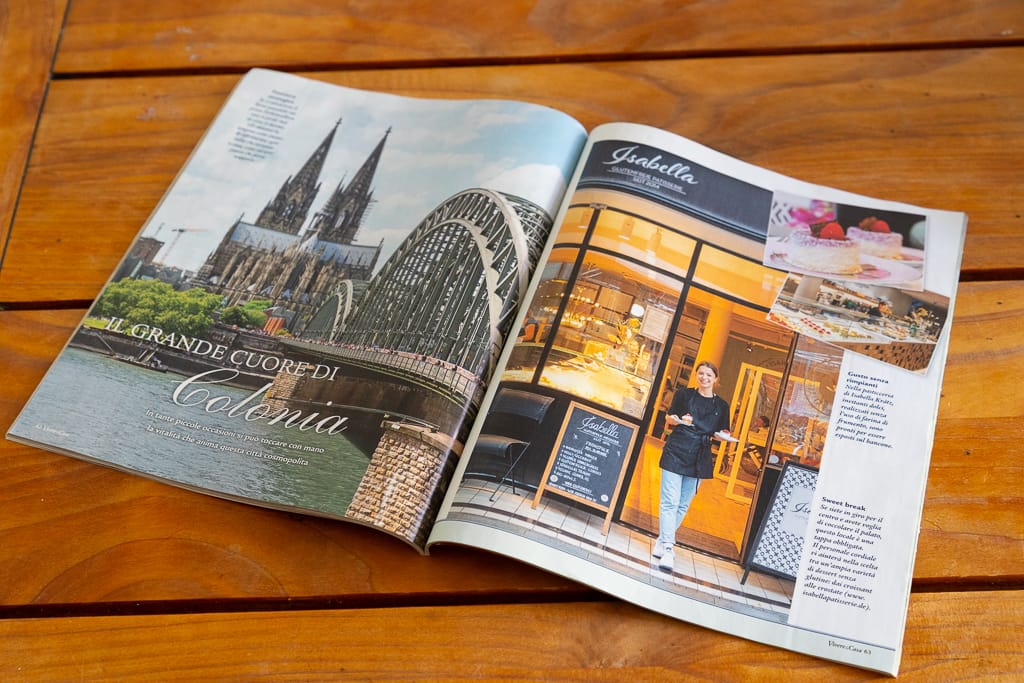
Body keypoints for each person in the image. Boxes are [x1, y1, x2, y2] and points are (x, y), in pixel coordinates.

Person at [653, 360, 731, 572]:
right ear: (696, 375)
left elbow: (723, 432)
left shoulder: (722, 406)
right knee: (669, 501)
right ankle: (668, 548)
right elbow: (669, 418)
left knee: (683, 504)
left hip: (700, 454)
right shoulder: (684, 395)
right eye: (701, 373)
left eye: (709, 375)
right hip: (676, 448)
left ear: (716, 379)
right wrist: (675, 420)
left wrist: (722, 436)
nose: (704, 377)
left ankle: (662, 539)